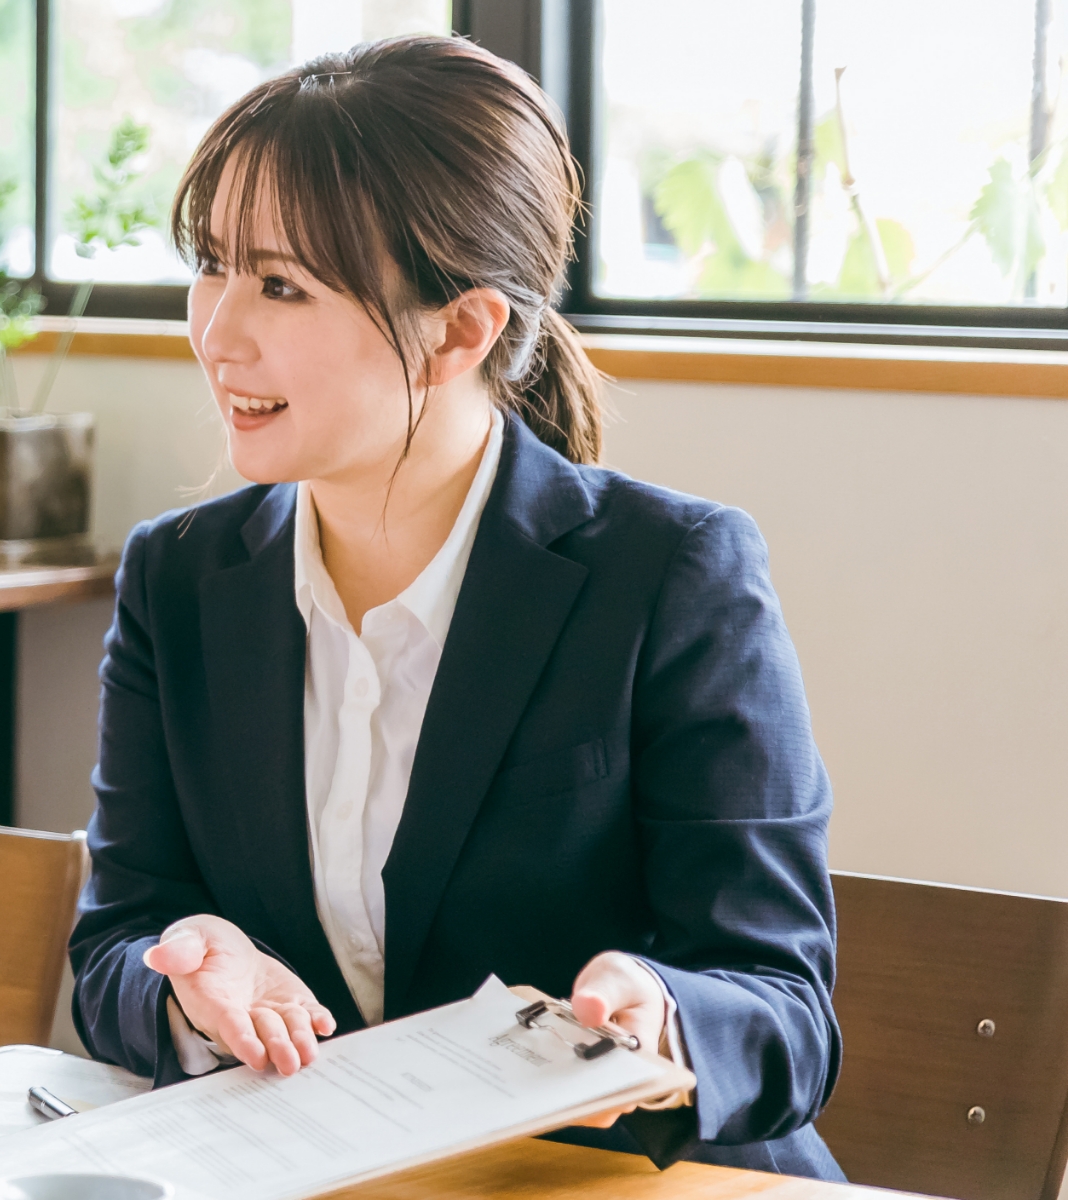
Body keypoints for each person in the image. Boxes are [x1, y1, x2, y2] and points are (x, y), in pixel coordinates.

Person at [68, 36, 841, 1178]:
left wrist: (663, 1014)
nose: (216, 332)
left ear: (460, 330)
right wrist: (187, 985)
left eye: (280, 285)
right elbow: (114, 944)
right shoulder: (177, 580)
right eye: (211, 266)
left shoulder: (673, 574)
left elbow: (783, 1006)